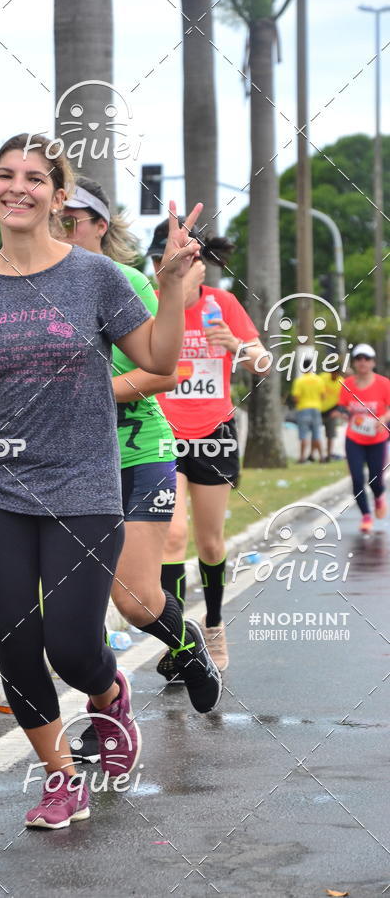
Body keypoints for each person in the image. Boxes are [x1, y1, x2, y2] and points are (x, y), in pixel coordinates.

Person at [0, 133, 201, 830]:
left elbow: (158, 358)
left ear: (58, 197)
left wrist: (173, 285)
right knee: (16, 646)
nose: (17, 187)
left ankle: (109, 696)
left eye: (34, 177)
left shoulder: (95, 278)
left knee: (73, 646)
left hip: (84, 485)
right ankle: (61, 778)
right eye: (5, 175)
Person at [59, 178, 223, 761]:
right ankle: (105, 712)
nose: (61, 227)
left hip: (137, 454)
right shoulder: (32, 291)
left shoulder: (124, 282)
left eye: (73, 219)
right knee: (77, 610)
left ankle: (187, 641)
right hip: (67, 466)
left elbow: (165, 370)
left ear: (100, 226)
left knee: (134, 601)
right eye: (55, 217)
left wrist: (92, 393)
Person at [147, 217, 268, 675]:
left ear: (199, 262)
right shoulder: (150, 302)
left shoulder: (223, 303)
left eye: (183, 258)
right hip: (163, 433)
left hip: (213, 434)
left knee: (211, 542)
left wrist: (235, 344)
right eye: (162, 259)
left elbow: (264, 364)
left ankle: (214, 624)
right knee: (172, 535)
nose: (170, 266)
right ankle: (178, 640)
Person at [335, 343, 390, 533]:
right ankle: (366, 515)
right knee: (357, 479)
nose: (363, 362)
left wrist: (384, 418)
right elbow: (342, 407)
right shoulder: (347, 384)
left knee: (375, 480)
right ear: (354, 362)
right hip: (354, 439)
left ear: (373, 362)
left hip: (377, 439)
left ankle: (379, 496)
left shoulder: (384, 383)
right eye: (359, 358)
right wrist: (343, 414)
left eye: (367, 358)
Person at [291, 359, 326, 463]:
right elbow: (323, 396)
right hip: (316, 408)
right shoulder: (319, 380)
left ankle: (302, 457)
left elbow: (296, 398)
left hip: (303, 409)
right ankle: (321, 457)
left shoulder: (299, 381)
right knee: (316, 434)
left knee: (303, 434)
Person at [318, 369, 344, 461]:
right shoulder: (322, 377)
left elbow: (343, 399)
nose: (334, 376)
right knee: (316, 433)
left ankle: (329, 455)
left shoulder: (342, 382)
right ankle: (318, 455)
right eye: (332, 373)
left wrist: (338, 411)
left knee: (330, 434)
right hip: (319, 409)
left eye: (336, 374)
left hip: (332, 410)